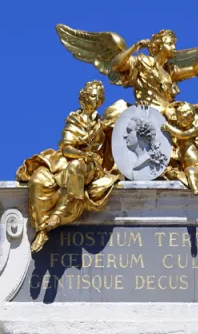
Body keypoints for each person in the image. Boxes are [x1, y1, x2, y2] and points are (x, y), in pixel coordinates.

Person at [16, 80, 121, 253]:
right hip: (68, 160)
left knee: (76, 168)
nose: (95, 100)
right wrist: (82, 153)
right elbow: (67, 147)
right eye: (92, 96)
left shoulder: (101, 125)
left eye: (99, 97)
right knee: (38, 179)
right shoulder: (74, 120)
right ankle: (42, 228)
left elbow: (123, 114)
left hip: (92, 167)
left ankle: (57, 214)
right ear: (84, 97)